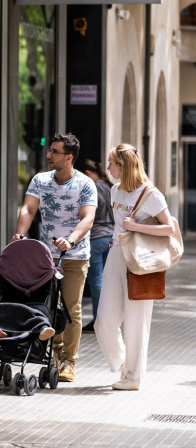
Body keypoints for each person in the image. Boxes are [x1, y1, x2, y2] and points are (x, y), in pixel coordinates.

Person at [11, 133, 97, 382]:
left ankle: (69, 360)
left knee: (71, 308)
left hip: (75, 256)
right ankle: (54, 355)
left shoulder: (85, 184)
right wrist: (20, 234)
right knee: (49, 306)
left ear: (68, 157)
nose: (49, 155)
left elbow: (88, 218)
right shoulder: (40, 180)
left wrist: (70, 240)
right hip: (46, 257)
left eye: (54, 152)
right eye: (49, 150)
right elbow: (29, 208)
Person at [94, 144, 175, 390]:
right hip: (116, 254)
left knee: (136, 322)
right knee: (103, 321)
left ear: (123, 166)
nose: (108, 168)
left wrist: (136, 227)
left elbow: (170, 229)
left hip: (140, 260)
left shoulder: (151, 194)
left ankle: (133, 377)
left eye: (111, 163)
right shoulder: (115, 190)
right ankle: (122, 363)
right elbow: (119, 225)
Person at [75, 160, 115, 333]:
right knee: (108, 281)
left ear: (87, 174)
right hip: (111, 238)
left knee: (96, 282)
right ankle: (110, 319)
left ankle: (99, 321)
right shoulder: (109, 187)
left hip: (96, 239)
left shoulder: (92, 188)